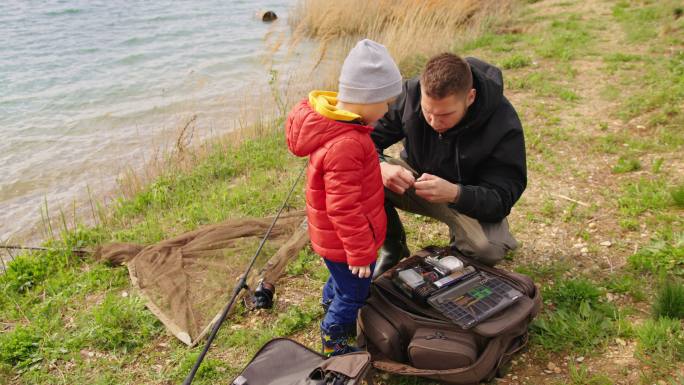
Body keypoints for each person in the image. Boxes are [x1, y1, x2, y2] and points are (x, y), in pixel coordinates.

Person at [285, 39, 402, 356]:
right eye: (386, 102)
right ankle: (334, 337)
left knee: (342, 283)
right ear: (368, 99)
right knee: (355, 291)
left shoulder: (344, 128)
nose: (389, 110)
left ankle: (330, 305)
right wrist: (361, 253)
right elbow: (343, 207)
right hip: (345, 243)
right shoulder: (347, 143)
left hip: (336, 241)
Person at [371, 53, 526, 278]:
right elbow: (364, 140)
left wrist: (456, 193)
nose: (434, 122)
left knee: (488, 249)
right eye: (427, 112)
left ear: (470, 97)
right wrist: (380, 166)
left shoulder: (502, 122)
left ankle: (454, 254)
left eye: (445, 115)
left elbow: (503, 197)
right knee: (361, 173)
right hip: (417, 180)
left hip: (466, 195)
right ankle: (393, 248)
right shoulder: (411, 93)